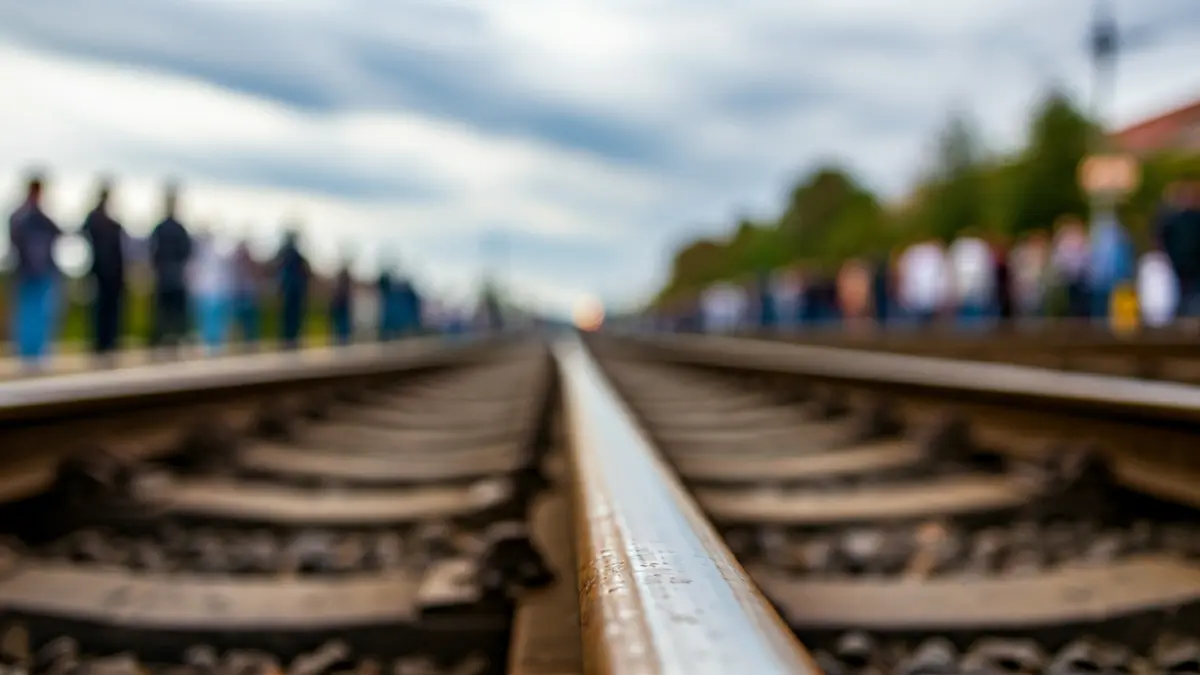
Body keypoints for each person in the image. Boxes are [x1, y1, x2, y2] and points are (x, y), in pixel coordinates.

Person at [7, 172, 62, 370]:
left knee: (43, 314)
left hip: (43, 273)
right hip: (26, 273)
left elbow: (59, 232)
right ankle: (26, 355)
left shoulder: (42, 216)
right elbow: (15, 239)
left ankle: (38, 354)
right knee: (26, 315)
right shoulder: (20, 215)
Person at [79, 179, 126, 363]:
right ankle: (100, 344)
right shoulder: (95, 218)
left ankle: (109, 343)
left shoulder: (111, 221)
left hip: (113, 273)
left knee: (111, 310)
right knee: (99, 310)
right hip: (99, 272)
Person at [148, 183, 193, 357]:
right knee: (167, 314)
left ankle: (170, 344)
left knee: (170, 315)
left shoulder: (164, 228)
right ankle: (166, 344)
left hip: (169, 277)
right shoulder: (171, 228)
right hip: (170, 277)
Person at [189, 230, 233, 354]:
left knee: (211, 324)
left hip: (210, 293)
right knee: (210, 324)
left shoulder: (207, 254)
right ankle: (213, 348)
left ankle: (213, 348)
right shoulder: (211, 254)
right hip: (210, 293)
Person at [275, 229, 310, 349]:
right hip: (291, 293)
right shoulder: (289, 255)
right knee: (290, 320)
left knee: (290, 320)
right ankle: (289, 342)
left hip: (292, 293)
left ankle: (290, 342)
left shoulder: (286, 254)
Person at [230, 239, 262, 348]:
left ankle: (250, 343)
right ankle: (239, 344)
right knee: (238, 322)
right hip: (240, 295)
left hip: (247, 296)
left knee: (249, 324)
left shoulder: (249, 263)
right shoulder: (236, 263)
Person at [330, 263, 353, 345]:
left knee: (342, 327)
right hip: (340, 307)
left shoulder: (342, 285)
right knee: (339, 326)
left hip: (341, 307)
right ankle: (340, 341)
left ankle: (342, 341)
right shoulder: (340, 285)